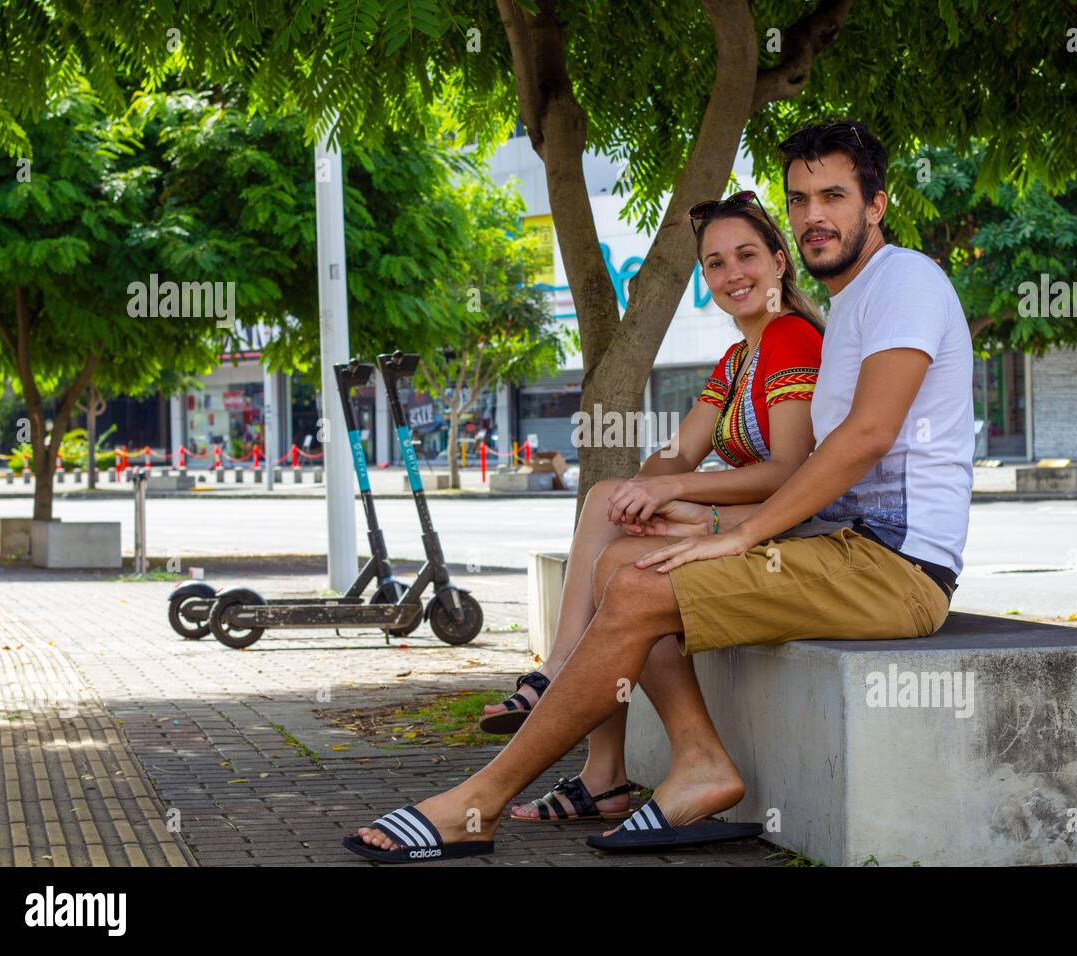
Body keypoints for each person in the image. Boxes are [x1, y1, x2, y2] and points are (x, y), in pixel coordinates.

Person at [344, 118, 974, 863]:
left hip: (894, 568)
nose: (813, 215)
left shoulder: (903, 281)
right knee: (621, 566)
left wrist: (739, 531)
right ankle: (697, 763)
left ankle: (476, 802)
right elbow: (693, 455)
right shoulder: (847, 308)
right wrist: (688, 510)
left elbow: (864, 439)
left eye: (832, 195)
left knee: (641, 586)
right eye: (799, 198)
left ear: (875, 205)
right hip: (835, 549)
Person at [478, 190, 825, 823]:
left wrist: (666, 492)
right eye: (715, 264)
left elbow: (788, 470)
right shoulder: (739, 355)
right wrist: (644, 490)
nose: (731, 274)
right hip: (739, 521)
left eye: (746, 255)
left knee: (626, 551)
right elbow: (680, 451)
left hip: (789, 530)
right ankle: (601, 769)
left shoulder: (791, 337)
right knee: (613, 510)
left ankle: (577, 714)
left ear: (780, 261)